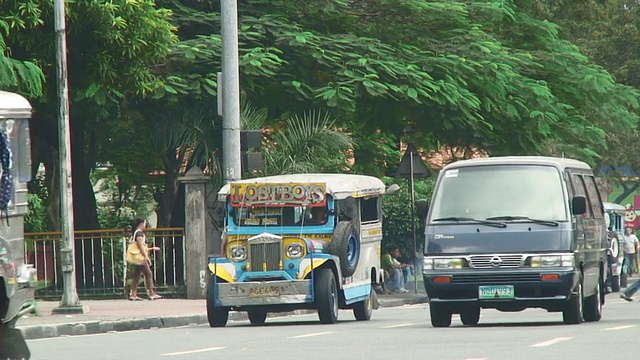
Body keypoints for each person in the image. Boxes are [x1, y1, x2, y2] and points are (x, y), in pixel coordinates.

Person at [126, 218, 162, 300]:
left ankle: (133, 294)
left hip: (137, 258)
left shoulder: (136, 233)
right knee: (148, 274)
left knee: (136, 275)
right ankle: (151, 293)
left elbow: (139, 247)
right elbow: (140, 246)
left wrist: (151, 248)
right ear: (141, 224)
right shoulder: (139, 233)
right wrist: (146, 256)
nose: (145, 225)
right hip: (140, 258)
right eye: (145, 223)